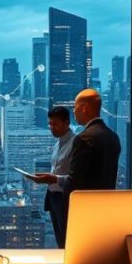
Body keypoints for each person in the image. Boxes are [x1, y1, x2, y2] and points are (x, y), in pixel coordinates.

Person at [33, 89, 121, 193]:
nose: (74, 111)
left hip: (85, 200)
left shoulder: (83, 138)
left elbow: (74, 182)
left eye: (75, 106)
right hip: (106, 199)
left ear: (83, 108)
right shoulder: (113, 137)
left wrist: (54, 179)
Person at [30, 106, 76, 248]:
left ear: (67, 123)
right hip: (53, 197)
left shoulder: (75, 144)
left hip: (66, 198)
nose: (51, 128)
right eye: (50, 124)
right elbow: (57, 169)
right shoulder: (57, 144)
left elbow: (76, 176)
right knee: (60, 240)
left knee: (68, 240)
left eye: (55, 124)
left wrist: (53, 178)